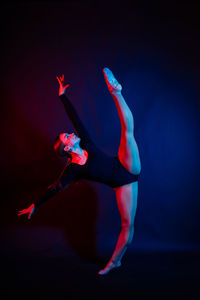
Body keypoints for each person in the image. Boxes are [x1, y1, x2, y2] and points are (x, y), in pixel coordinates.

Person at [17, 68, 141, 275]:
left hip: (126, 164)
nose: (70, 133)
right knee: (127, 225)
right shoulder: (72, 170)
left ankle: (116, 92)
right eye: (67, 137)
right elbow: (56, 187)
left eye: (68, 134)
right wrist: (35, 205)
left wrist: (62, 96)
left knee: (127, 133)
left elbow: (75, 119)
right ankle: (115, 262)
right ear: (67, 148)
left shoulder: (86, 143)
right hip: (123, 185)